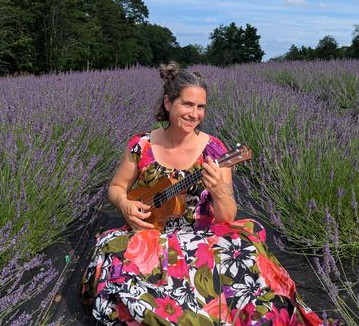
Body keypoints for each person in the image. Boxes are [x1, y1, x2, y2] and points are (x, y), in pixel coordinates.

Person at [82, 62, 328, 325]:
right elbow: (116, 188)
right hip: (149, 232)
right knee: (112, 259)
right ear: (168, 103)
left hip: (200, 238)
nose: (194, 114)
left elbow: (227, 217)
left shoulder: (214, 151)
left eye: (200, 107)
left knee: (246, 255)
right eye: (187, 104)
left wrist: (219, 190)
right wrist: (124, 204)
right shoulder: (141, 144)